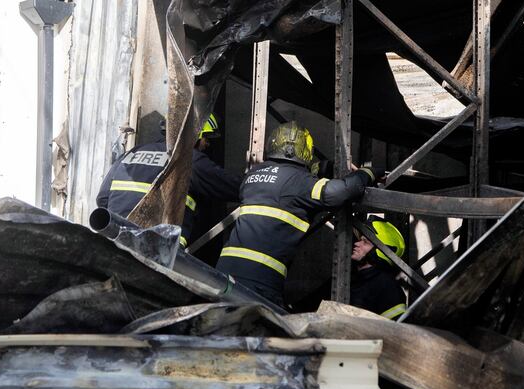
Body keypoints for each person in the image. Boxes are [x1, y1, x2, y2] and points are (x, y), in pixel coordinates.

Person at [216, 121, 380, 306]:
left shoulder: (254, 175)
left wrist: (325, 167)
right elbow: (338, 192)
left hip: (224, 272)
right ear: (305, 150)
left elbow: (286, 177)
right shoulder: (300, 183)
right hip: (260, 279)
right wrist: (368, 173)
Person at [96, 114, 241, 247]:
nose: (207, 144)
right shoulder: (188, 159)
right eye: (206, 138)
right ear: (194, 135)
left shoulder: (132, 153)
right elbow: (231, 187)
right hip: (157, 249)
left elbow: (102, 199)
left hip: (112, 241)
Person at [350, 217, 407, 320]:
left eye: (365, 242)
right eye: (359, 240)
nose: (357, 244)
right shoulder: (350, 277)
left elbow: (394, 330)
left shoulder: (387, 286)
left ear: (380, 251)